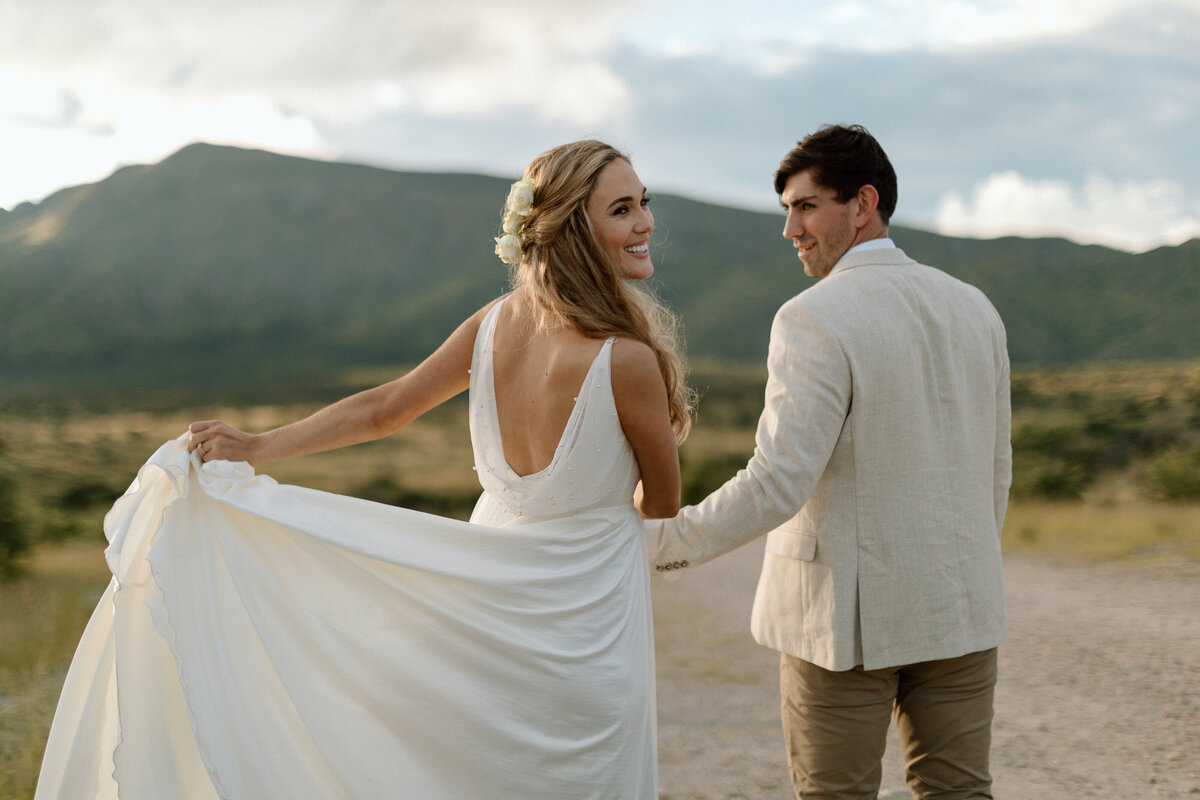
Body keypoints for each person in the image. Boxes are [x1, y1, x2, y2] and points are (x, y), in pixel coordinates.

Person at [35, 140, 692, 800]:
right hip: (582, 604)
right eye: (622, 209)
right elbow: (662, 501)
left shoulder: (494, 324)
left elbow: (385, 409)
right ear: (575, 228)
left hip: (485, 587)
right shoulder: (626, 359)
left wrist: (260, 445)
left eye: (643, 204)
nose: (644, 224)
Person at [645, 125, 1011, 800]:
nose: (790, 228)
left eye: (806, 205)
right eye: (788, 208)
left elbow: (779, 480)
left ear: (863, 203)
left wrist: (664, 542)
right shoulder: (977, 309)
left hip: (842, 623)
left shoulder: (812, 317)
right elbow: (996, 472)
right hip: (960, 606)